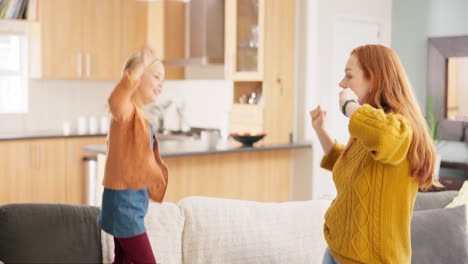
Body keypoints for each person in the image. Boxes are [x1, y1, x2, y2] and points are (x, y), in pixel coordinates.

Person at [310, 44, 439, 264]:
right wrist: (320, 130)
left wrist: (349, 106)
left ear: (375, 80)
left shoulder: (397, 127)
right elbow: (349, 164)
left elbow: (385, 137)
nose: (342, 83)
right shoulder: (372, 127)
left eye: (349, 76)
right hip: (337, 252)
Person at [97, 45, 168, 264]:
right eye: (156, 76)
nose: (161, 83)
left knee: (123, 260)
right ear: (136, 79)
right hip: (124, 205)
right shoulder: (125, 113)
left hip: (131, 204)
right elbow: (116, 100)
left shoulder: (139, 117)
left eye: (163, 79)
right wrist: (139, 66)